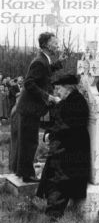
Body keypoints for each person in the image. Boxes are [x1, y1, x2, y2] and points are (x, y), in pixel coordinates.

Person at [36, 75, 90, 220]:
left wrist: (51, 135)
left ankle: (53, 215)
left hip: (71, 149)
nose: (56, 92)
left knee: (60, 180)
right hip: (64, 146)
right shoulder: (68, 101)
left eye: (58, 88)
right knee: (54, 177)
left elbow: (69, 127)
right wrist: (48, 134)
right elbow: (56, 123)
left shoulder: (77, 102)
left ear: (68, 88)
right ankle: (51, 211)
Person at [14, 32, 66, 182]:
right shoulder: (40, 61)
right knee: (29, 142)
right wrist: (48, 97)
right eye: (55, 43)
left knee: (27, 141)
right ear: (46, 45)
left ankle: (22, 171)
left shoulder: (44, 60)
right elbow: (29, 83)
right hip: (30, 108)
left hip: (29, 108)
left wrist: (58, 63)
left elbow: (45, 71)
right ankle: (27, 175)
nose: (58, 45)